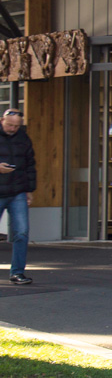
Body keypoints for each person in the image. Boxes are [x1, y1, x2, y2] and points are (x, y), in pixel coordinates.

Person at [0, 108, 35, 285]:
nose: (13, 128)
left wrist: (29, 190)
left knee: (21, 232)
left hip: (18, 191)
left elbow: (30, 165)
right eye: (10, 125)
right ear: (1, 120)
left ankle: (17, 272)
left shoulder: (23, 138)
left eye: (16, 126)